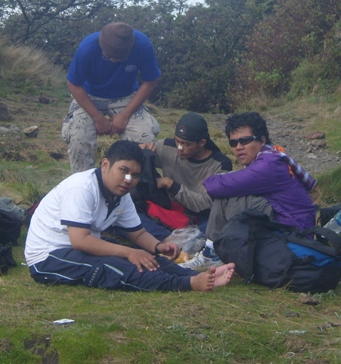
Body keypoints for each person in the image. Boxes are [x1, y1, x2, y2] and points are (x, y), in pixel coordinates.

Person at [24, 140, 236, 292]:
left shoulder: (121, 194)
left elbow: (138, 233)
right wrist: (129, 252)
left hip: (78, 247)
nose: (128, 180)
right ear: (105, 165)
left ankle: (197, 276)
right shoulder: (82, 188)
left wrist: (158, 247)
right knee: (116, 266)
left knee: (147, 258)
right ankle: (188, 284)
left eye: (135, 175)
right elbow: (80, 241)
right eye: (123, 171)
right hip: (48, 257)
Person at [184, 112, 317, 270]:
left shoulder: (268, 164)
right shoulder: (269, 157)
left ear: (262, 140)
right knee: (231, 188)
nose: (239, 147)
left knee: (228, 194)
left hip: (294, 233)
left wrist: (216, 179)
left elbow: (214, 186)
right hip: (289, 225)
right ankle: (215, 250)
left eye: (245, 140)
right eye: (233, 143)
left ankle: (212, 253)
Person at [62, 22, 161, 173]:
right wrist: (97, 118)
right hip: (90, 96)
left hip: (126, 97)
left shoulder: (142, 44)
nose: (114, 61)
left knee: (145, 138)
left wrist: (125, 115)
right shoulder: (87, 47)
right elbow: (73, 84)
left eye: (120, 58)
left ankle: (140, 182)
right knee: (79, 138)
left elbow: (151, 81)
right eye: (109, 57)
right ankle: (82, 179)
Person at [136, 112, 233, 241]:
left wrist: (170, 183)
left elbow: (206, 204)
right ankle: (170, 238)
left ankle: (165, 237)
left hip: (198, 216)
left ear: (202, 142)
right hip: (167, 208)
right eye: (177, 141)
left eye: (186, 144)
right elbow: (135, 158)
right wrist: (140, 151)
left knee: (215, 229)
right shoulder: (166, 146)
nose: (180, 148)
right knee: (130, 212)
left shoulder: (220, 164)